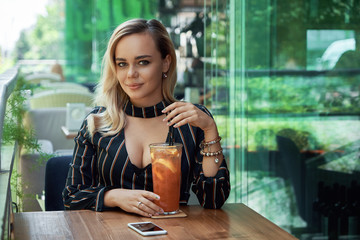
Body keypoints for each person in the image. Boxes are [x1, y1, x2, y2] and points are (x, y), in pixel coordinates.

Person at [63, 18, 230, 217]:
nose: (131, 74)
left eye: (143, 62)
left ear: (166, 63)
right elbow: (72, 197)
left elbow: (214, 199)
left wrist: (210, 129)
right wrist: (115, 196)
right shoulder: (97, 122)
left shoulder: (191, 121)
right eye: (122, 64)